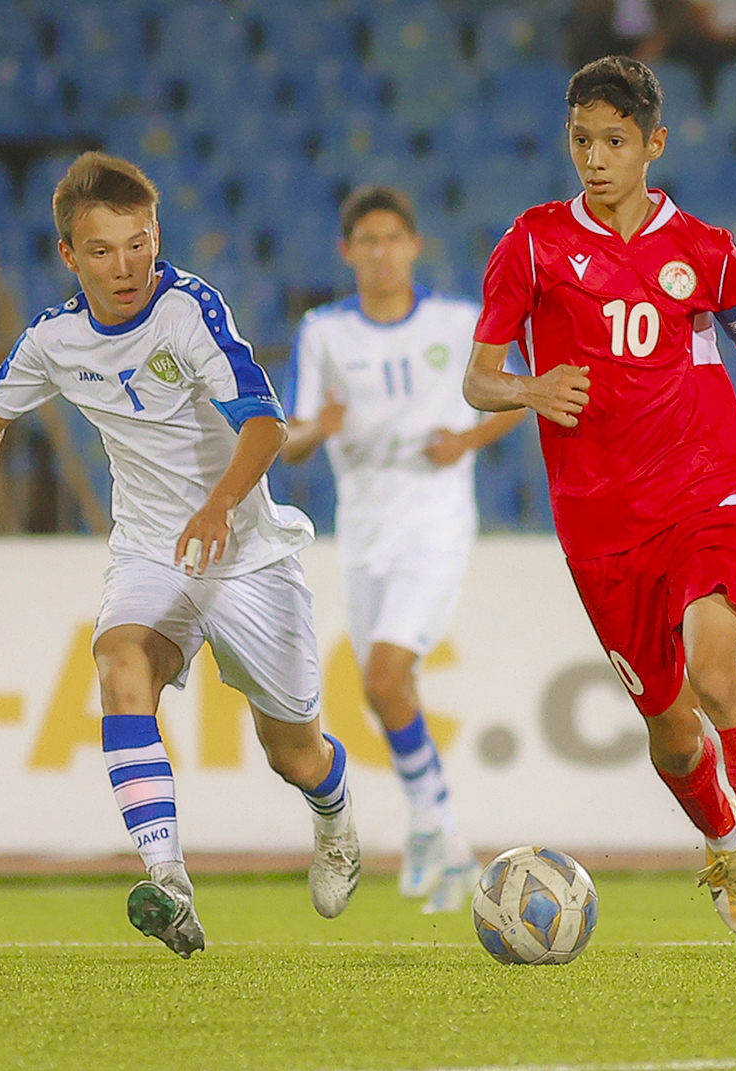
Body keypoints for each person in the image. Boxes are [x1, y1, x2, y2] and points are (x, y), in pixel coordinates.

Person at [463, 56, 736, 948]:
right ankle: (723, 840)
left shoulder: (704, 251)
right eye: (582, 140)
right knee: (671, 731)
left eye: (615, 141)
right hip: (599, 527)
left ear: (654, 145)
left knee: (715, 670)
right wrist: (530, 391)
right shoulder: (534, 245)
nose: (595, 157)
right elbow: (477, 379)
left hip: (704, 488)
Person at [0, 151, 361, 958]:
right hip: (150, 552)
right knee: (119, 667)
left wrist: (218, 503)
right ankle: (168, 880)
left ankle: (336, 817)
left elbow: (263, 424)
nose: (126, 266)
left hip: (246, 556)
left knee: (294, 752)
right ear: (69, 255)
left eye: (139, 244)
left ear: (155, 234)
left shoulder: (191, 310)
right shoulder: (55, 339)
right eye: (102, 250)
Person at [281, 186, 528, 912]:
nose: (382, 252)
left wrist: (467, 439)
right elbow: (288, 436)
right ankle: (447, 840)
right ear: (348, 251)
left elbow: (520, 392)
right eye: (368, 241)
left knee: (386, 677)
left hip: (434, 519)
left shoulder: (457, 322)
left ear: (415, 246)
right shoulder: (324, 331)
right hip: (364, 527)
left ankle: (429, 827)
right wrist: (319, 428)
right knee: (383, 687)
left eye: (394, 238)